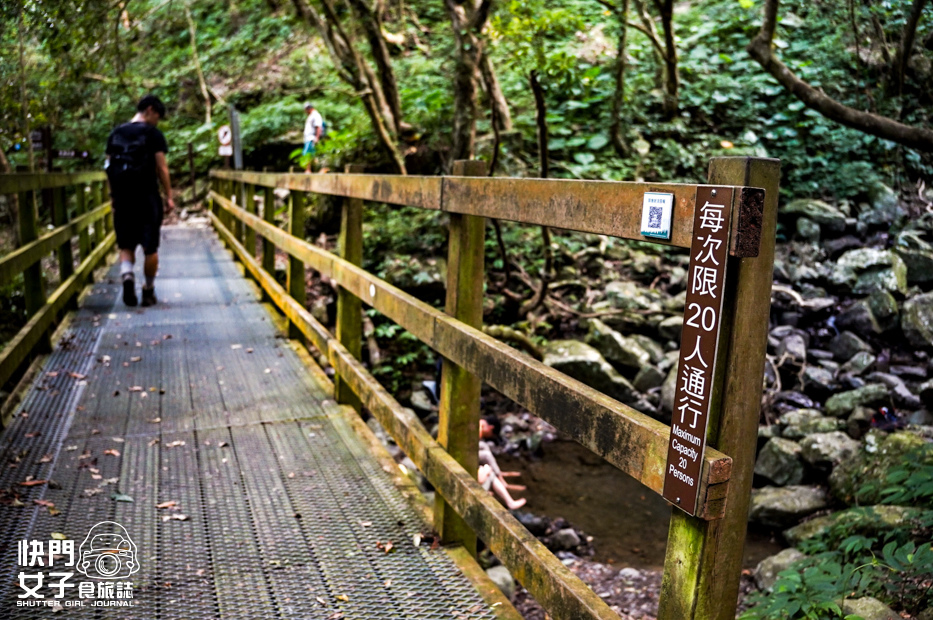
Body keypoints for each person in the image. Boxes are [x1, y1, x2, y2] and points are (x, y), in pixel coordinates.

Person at [105, 94, 174, 307]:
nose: (157, 121)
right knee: (150, 247)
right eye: (158, 116)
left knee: (125, 244)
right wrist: (169, 196)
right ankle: (148, 290)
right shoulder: (153, 135)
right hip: (147, 197)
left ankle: (127, 277)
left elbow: (108, 168)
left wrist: (113, 195)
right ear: (150, 110)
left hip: (123, 197)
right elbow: (161, 167)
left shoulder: (116, 133)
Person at [478, 416, 527, 510]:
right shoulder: (479, 426)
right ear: (491, 428)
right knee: (487, 456)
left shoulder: (479, 424)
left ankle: (499, 476)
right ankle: (501, 480)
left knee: (484, 447)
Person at [302, 102, 324, 173]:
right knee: (310, 154)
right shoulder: (311, 115)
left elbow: (318, 127)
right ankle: (309, 169)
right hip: (308, 138)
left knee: (307, 154)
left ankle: (308, 170)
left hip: (311, 138)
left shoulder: (316, 115)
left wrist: (317, 137)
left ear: (308, 108)